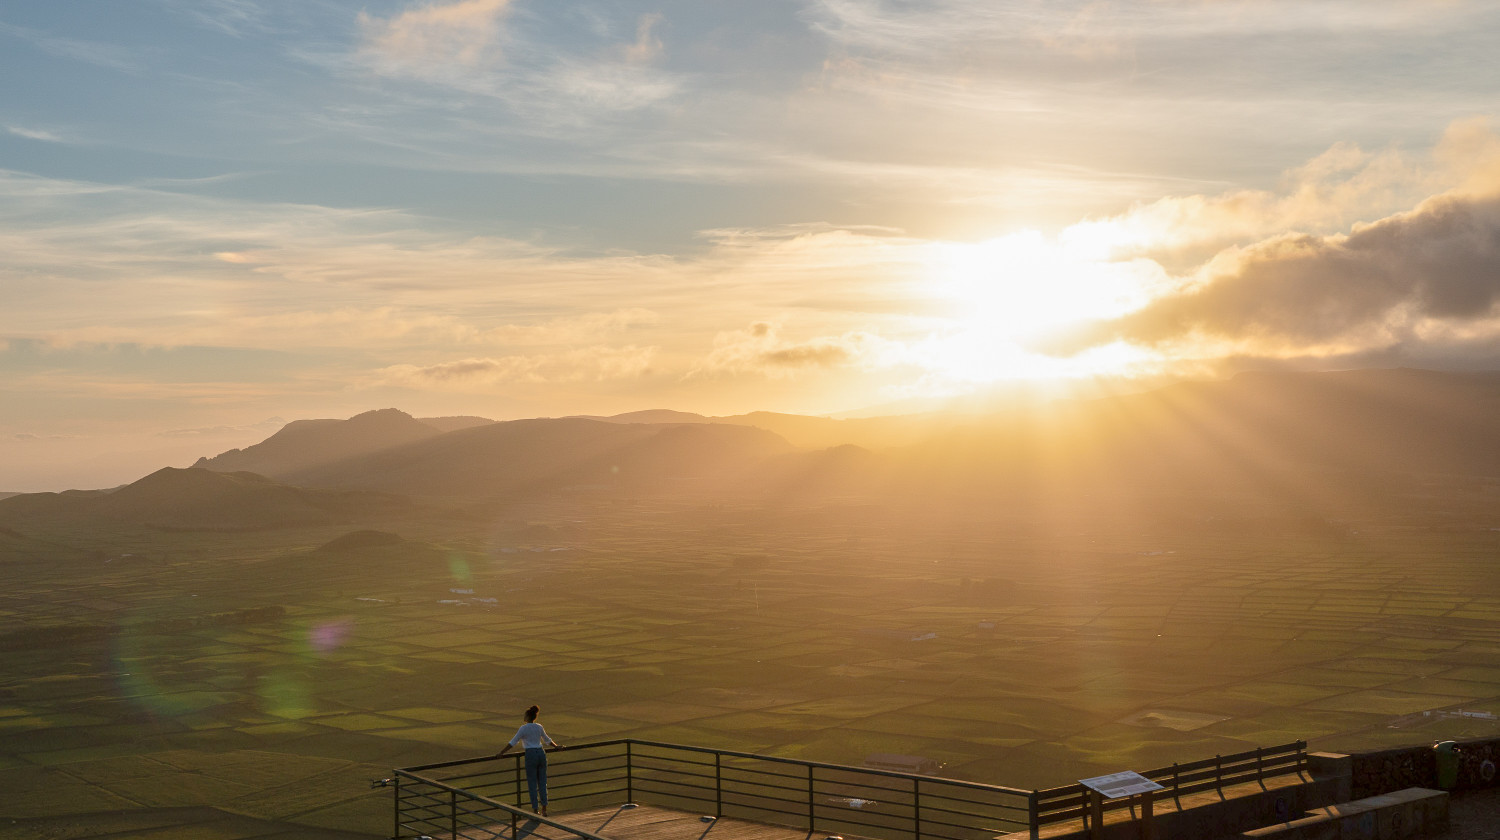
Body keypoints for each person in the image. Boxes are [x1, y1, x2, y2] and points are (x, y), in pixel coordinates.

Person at [496, 704, 563, 816]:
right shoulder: (539, 727)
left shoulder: (523, 728)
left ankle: (535, 810)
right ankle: (544, 809)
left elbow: (513, 742)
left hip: (530, 755)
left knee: (532, 783)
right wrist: (557, 747)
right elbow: (547, 740)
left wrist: (501, 753)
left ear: (527, 716)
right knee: (542, 782)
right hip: (541, 753)